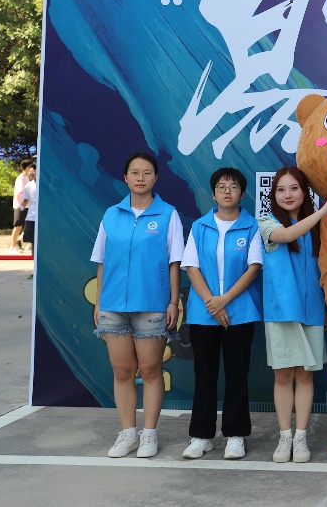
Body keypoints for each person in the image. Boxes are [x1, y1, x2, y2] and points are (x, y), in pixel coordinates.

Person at [90, 151, 183, 459]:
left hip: (152, 305)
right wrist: (100, 302)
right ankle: (128, 433)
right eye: (134, 172)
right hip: (113, 305)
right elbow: (102, 262)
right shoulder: (111, 215)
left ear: (156, 178)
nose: (140, 178)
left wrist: (173, 301)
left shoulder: (168, 215)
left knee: (151, 370)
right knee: (122, 371)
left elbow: (174, 262)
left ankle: (149, 434)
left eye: (147, 173)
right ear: (125, 177)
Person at [181, 167, 264, 461]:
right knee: (204, 374)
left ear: (242, 193)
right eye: (221, 187)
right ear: (213, 193)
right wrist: (212, 303)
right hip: (203, 313)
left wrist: (225, 300)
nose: (227, 191)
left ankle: (235, 435)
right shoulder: (200, 226)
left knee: (237, 374)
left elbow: (254, 268)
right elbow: (192, 267)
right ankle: (201, 436)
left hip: (239, 312)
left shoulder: (252, 227)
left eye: (233, 187)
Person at [257, 166, 327, 464]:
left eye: (294, 188)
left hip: (313, 310)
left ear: (305, 192)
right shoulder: (267, 222)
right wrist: (323, 212)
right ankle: (285, 437)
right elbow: (289, 234)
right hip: (281, 313)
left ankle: (301, 437)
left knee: (305, 375)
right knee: (283, 376)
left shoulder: (320, 227)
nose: (287, 195)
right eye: (281, 189)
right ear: (273, 195)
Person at [11, 159, 33, 251]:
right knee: (18, 227)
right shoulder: (21, 178)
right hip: (20, 206)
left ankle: (23, 241)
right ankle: (13, 246)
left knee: (29, 225)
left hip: (26, 206)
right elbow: (21, 192)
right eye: (31, 167)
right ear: (27, 167)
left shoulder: (26, 178)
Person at [21, 162, 38, 254]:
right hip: (31, 217)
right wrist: (21, 208)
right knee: (32, 241)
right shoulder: (28, 185)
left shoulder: (44, 184)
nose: (31, 173)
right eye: (30, 172)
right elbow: (25, 200)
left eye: (33, 171)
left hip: (42, 218)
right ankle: (34, 259)